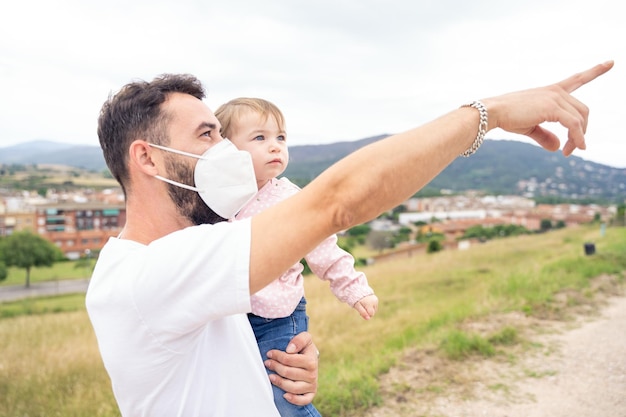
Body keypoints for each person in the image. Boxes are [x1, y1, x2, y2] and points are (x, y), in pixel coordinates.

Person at [85, 60, 613, 417]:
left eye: (224, 134)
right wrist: (487, 114)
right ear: (147, 158)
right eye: (207, 135)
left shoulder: (192, 253)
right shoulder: (149, 275)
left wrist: (281, 365)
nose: (226, 151)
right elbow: (338, 200)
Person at [214, 97, 379, 416]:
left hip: (277, 316)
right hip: (230, 318)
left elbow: (323, 247)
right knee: (243, 398)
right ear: (225, 150)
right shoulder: (212, 199)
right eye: (260, 138)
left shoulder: (289, 199)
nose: (275, 146)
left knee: (283, 396)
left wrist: (354, 288)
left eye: (281, 137)